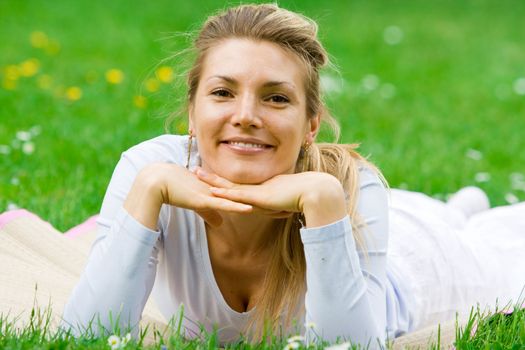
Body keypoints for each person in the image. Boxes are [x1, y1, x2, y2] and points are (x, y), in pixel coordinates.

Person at [61, 3, 525, 348]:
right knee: (446, 212)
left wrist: (323, 202)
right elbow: (85, 337)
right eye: (222, 92)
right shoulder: (151, 172)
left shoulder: (346, 188)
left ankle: (463, 211)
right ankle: (461, 205)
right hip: (389, 222)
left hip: (419, 265)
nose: (245, 116)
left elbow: (350, 346)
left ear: (311, 125)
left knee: (497, 248)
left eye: (276, 98)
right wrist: (147, 191)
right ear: (191, 111)